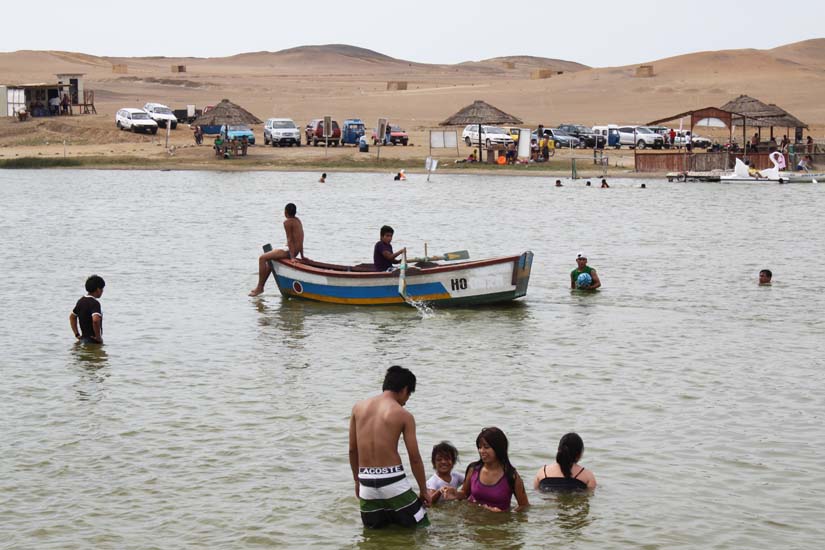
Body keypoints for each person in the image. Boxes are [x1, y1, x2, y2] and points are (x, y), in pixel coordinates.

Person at [349, 366, 430, 528]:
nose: (406, 401)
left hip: (366, 482)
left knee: (377, 535)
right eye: (409, 395)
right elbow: (414, 458)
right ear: (405, 389)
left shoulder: (358, 408)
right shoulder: (403, 415)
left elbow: (352, 450)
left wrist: (357, 481)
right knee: (422, 527)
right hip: (393, 481)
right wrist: (423, 490)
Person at [455, 427, 529, 512]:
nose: (481, 451)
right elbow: (464, 493)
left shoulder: (511, 476)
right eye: (480, 447)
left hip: (498, 523)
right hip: (472, 522)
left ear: (498, 448)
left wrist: (504, 514)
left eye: (486, 447)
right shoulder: (473, 469)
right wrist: (454, 494)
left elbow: (524, 506)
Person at [248, 203, 304, 296]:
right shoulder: (298, 220)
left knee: (262, 258)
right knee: (271, 261)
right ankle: (260, 287)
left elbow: (289, 239)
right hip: (295, 250)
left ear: (285, 212)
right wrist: (302, 255)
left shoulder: (287, 222)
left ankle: (259, 287)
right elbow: (301, 238)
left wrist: (292, 257)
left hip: (290, 251)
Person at [70, 275, 105, 344]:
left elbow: (72, 317)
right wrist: (98, 337)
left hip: (83, 339)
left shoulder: (81, 301)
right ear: (98, 289)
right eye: (102, 289)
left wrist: (77, 334)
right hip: (93, 341)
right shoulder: (95, 303)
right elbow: (95, 320)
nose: (102, 291)